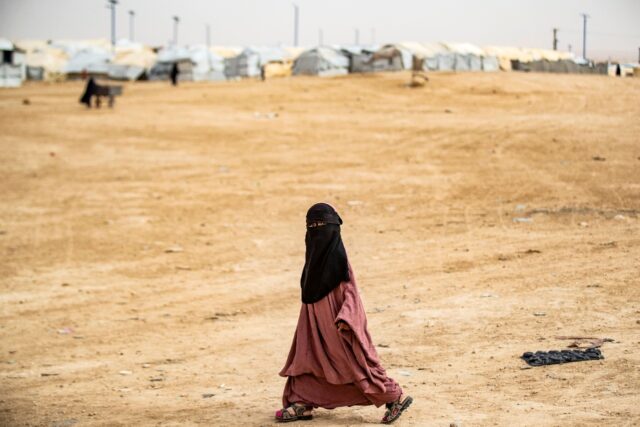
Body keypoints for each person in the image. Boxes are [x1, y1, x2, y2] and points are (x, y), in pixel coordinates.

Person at [276, 203, 413, 424]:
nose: (318, 230)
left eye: (322, 226)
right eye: (313, 226)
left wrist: (346, 318)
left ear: (334, 229)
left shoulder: (340, 262)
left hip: (338, 326)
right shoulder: (311, 262)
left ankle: (393, 397)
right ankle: (301, 402)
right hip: (312, 326)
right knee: (307, 358)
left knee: (352, 365)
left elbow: (352, 294)